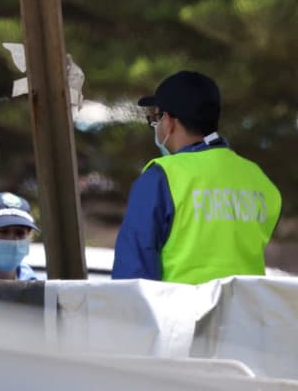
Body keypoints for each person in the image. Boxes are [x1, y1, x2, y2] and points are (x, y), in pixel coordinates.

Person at [112, 70, 281, 284]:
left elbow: (132, 278)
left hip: (178, 306)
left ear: (168, 121)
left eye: (155, 119)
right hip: (244, 306)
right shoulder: (258, 179)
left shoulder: (161, 178)